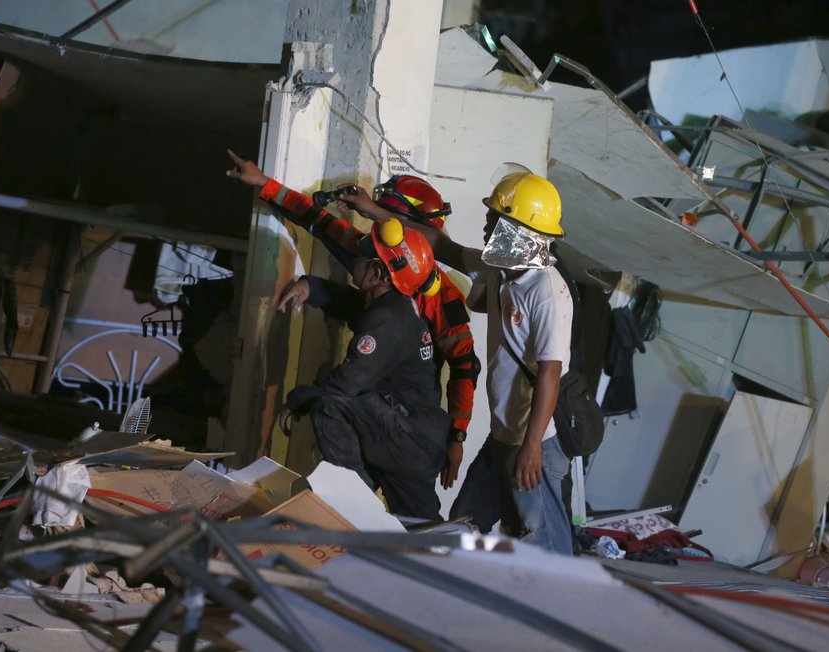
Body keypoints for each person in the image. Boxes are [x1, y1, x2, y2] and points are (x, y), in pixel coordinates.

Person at [340, 164, 574, 554]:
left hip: (532, 441)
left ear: (516, 231)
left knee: (543, 544)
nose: (484, 227)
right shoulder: (503, 266)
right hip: (503, 436)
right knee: (464, 525)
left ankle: (557, 611)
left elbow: (551, 372)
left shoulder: (546, 291)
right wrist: (373, 211)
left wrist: (532, 445)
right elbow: (439, 244)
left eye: (492, 219)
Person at [226, 151, 480, 490]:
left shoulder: (441, 299)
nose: (367, 240)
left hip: (408, 426)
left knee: (413, 514)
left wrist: (457, 436)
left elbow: (465, 368)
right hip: (366, 402)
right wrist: (264, 183)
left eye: (383, 223)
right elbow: (319, 222)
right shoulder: (374, 254)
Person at [274, 220, 450, 520]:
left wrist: (297, 399)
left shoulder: (389, 321)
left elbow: (346, 385)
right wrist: (312, 286)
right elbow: (353, 305)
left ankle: (353, 505)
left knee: (328, 402)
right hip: (410, 436)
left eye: (365, 255)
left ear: (378, 273)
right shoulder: (393, 309)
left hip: (405, 440)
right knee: (420, 532)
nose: (357, 257)